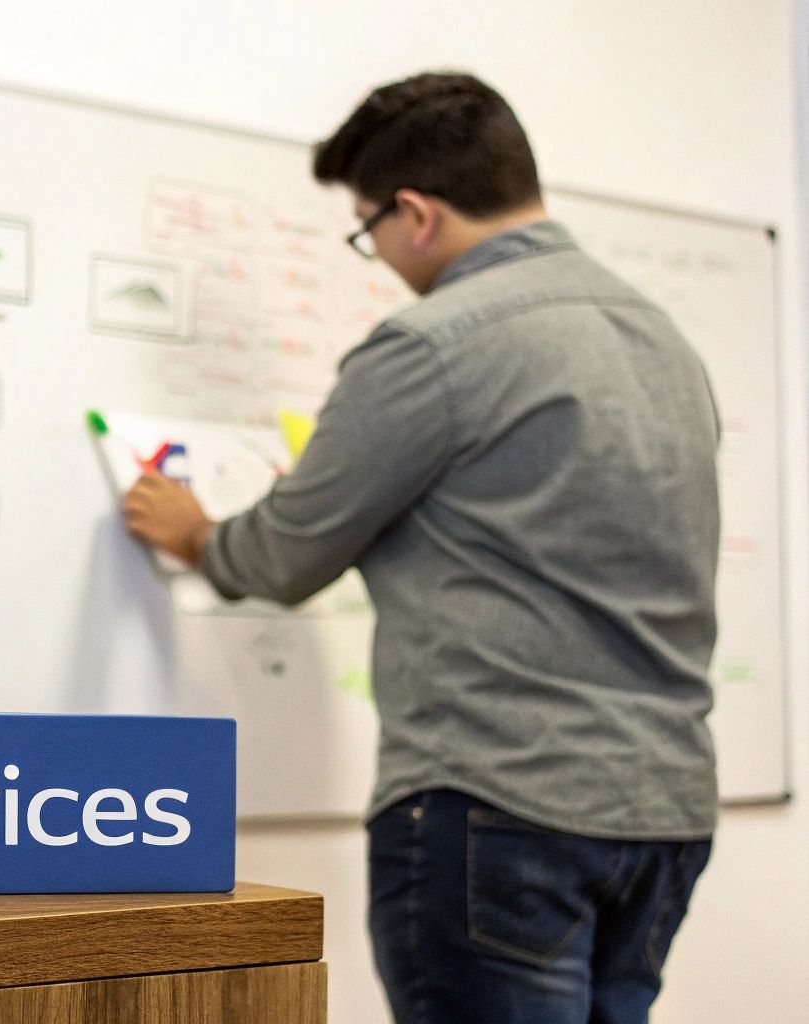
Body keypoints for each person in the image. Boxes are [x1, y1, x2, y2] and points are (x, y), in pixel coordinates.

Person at [123, 72, 718, 1024]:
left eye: (370, 233)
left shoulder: (435, 347)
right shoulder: (665, 344)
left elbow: (281, 556)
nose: (382, 258)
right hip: (664, 816)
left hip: (500, 805)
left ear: (416, 212)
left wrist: (193, 531)